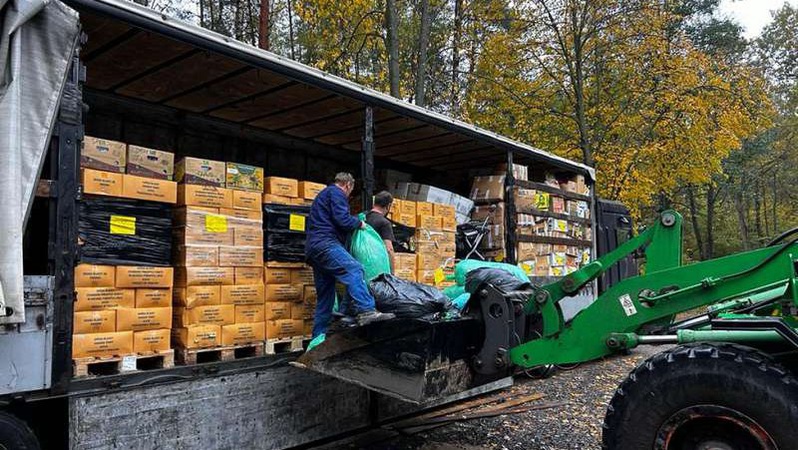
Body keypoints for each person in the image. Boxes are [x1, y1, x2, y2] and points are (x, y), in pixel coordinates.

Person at [305, 172, 394, 338]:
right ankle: (367, 310)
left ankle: (317, 339)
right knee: (355, 269)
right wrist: (359, 223)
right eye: (350, 192)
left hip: (314, 250)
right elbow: (343, 220)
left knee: (326, 298)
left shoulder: (322, 196)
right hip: (326, 244)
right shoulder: (337, 193)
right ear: (348, 185)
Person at [365, 191, 396, 273]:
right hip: (376, 266)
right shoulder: (384, 223)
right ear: (388, 206)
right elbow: (389, 249)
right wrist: (392, 272)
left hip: (360, 262)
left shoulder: (362, 217)